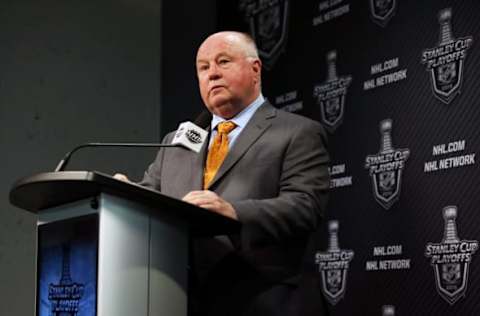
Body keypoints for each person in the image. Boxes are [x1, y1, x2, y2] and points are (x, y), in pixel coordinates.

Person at [118, 31, 329, 316]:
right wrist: (123, 195)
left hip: (265, 300)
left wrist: (233, 212)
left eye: (223, 62)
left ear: (255, 70)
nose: (212, 74)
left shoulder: (296, 132)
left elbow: (305, 205)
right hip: (183, 300)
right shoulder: (177, 142)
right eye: (203, 68)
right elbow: (152, 199)